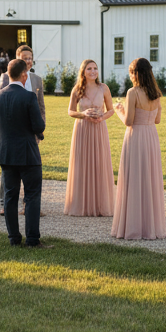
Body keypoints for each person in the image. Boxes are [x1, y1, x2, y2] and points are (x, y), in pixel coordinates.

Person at [0, 58, 48, 246]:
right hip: (28, 152)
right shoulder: (29, 96)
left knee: (10, 196)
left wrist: (9, 132)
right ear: (24, 75)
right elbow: (39, 125)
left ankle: (14, 238)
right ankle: (32, 239)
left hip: (6, 152)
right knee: (31, 196)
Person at [111, 58, 166, 240]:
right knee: (149, 178)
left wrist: (119, 109)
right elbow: (157, 120)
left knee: (134, 178)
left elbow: (129, 121)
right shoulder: (156, 93)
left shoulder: (133, 92)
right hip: (151, 136)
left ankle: (134, 227)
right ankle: (150, 226)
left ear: (135, 73)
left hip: (136, 137)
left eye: (130, 72)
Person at [0, 43, 46, 215]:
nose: (28, 61)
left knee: (30, 170)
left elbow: (41, 107)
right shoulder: (5, 78)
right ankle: (5, 203)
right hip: (11, 133)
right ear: (17, 60)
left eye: (30, 58)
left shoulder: (37, 80)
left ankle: (28, 205)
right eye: (24, 58)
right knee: (9, 170)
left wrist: (39, 131)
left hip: (31, 133)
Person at [64, 59, 114, 217]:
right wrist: (83, 115)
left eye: (95, 68)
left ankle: (100, 205)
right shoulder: (77, 89)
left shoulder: (103, 88)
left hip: (99, 129)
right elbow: (70, 111)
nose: (93, 71)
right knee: (83, 164)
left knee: (99, 163)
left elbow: (111, 110)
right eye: (89, 69)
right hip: (83, 129)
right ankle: (82, 205)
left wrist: (102, 117)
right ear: (83, 72)